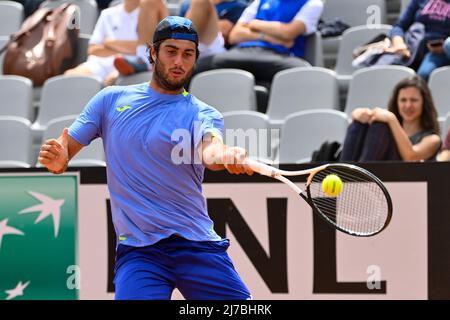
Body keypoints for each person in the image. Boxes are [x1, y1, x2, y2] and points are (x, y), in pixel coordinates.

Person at [38, 16, 254, 300]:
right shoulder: (110, 101)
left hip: (196, 245)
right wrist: (58, 158)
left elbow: (210, 151)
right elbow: (66, 149)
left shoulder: (203, 113)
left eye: (188, 54)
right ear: (153, 53)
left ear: (196, 58)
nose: (179, 61)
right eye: (171, 51)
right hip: (140, 253)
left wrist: (226, 154)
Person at [209, 0, 323, 88]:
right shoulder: (259, 1)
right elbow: (234, 35)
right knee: (196, 65)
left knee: (306, 74)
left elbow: (288, 32)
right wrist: (269, 37)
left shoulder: (312, 3)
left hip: (280, 56)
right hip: (242, 52)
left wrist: (254, 24)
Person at [340, 76, 441, 162]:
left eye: (414, 100)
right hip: (380, 176)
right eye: (403, 100)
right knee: (358, 123)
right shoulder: (388, 128)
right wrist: (358, 115)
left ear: (424, 103)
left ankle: (362, 176)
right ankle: (343, 175)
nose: (408, 105)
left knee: (380, 126)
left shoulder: (432, 139)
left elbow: (411, 157)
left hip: (405, 180)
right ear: (396, 103)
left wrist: (391, 119)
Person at [64, 0, 140, 86]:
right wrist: (125, 49)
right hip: (99, 65)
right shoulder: (107, 14)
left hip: (133, 66)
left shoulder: (150, 14)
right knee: (68, 78)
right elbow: (93, 49)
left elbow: (143, 48)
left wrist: (108, 43)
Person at [389, 0, 450, 81]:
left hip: (441, 52)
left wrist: (443, 48)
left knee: (424, 74)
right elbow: (399, 26)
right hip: (414, 48)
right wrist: (398, 43)